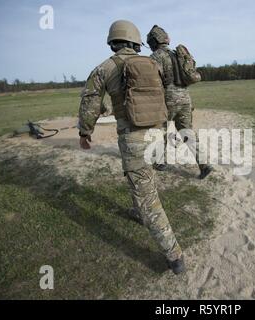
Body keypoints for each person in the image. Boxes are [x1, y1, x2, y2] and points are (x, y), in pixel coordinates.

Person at [78, 20, 185, 275]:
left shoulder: (105, 68)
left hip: (134, 138)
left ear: (113, 42)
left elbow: (91, 101)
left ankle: (175, 256)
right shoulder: (152, 64)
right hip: (158, 134)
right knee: (141, 180)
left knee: (148, 198)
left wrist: (85, 131)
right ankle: (139, 211)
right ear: (136, 42)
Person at [146, 25, 213, 180]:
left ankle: (160, 162)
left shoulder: (156, 57)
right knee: (187, 132)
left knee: (159, 130)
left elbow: (151, 80)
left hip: (167, 99)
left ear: (154, 41)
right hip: (185, 98)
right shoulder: (177, 55)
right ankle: (204, 165)